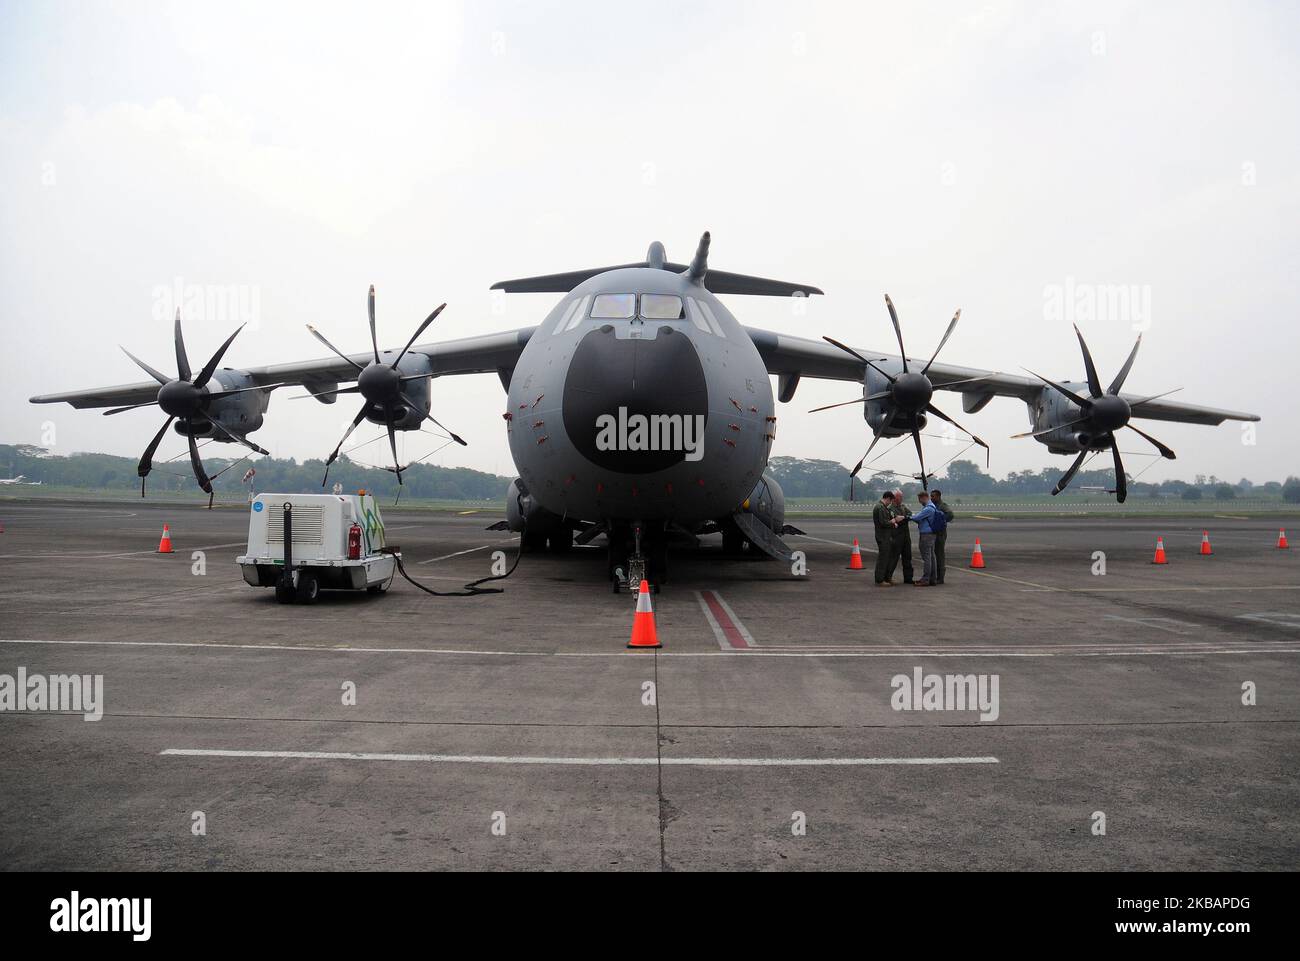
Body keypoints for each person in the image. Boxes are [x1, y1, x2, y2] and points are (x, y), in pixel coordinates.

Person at [907, 490, 939, 586]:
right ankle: (932, 578)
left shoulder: (928, 508)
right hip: (931, 534)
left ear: (923, 498)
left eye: (919, 500)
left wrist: (906, 517)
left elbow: (917, 517)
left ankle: (926, 579)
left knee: (927, 558)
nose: (919, 502)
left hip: (926, 535)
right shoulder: (931, 507)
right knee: (931, 557)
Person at [872, 491, 899, 586]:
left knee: (887, 558)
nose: (890, 503)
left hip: (885, 536)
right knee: (883, 559)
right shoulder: (880, 508)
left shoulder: (882, 507)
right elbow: (883, 523)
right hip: (883, 536)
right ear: (888, 498)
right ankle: (880, 580)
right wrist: (893, 522)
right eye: (890, 501)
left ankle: (886, 578)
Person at [888, 487, 914, 584]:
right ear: (894, 497)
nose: (901, 499)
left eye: (901, 497)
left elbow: (910, 515)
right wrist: (904, 519)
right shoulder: (890, 508)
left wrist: (903, 518)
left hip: (906, 536)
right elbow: (895, 519)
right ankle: (888, 577)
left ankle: (908, 578)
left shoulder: (903, 507)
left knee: (907, 557)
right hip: (896, 536)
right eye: (900, 497)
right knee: (893, 558)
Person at [930, 489, 954, 585]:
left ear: (938, 497)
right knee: (935, 554)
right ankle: (936, 576)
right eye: (931, 496)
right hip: (935, 533)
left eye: (933, 496)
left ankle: (940, 577)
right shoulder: (934, 505)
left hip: (940, 534)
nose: (931, 498)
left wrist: (942, 521)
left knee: (939, 555)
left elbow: (950, 514)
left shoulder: (942, 505)